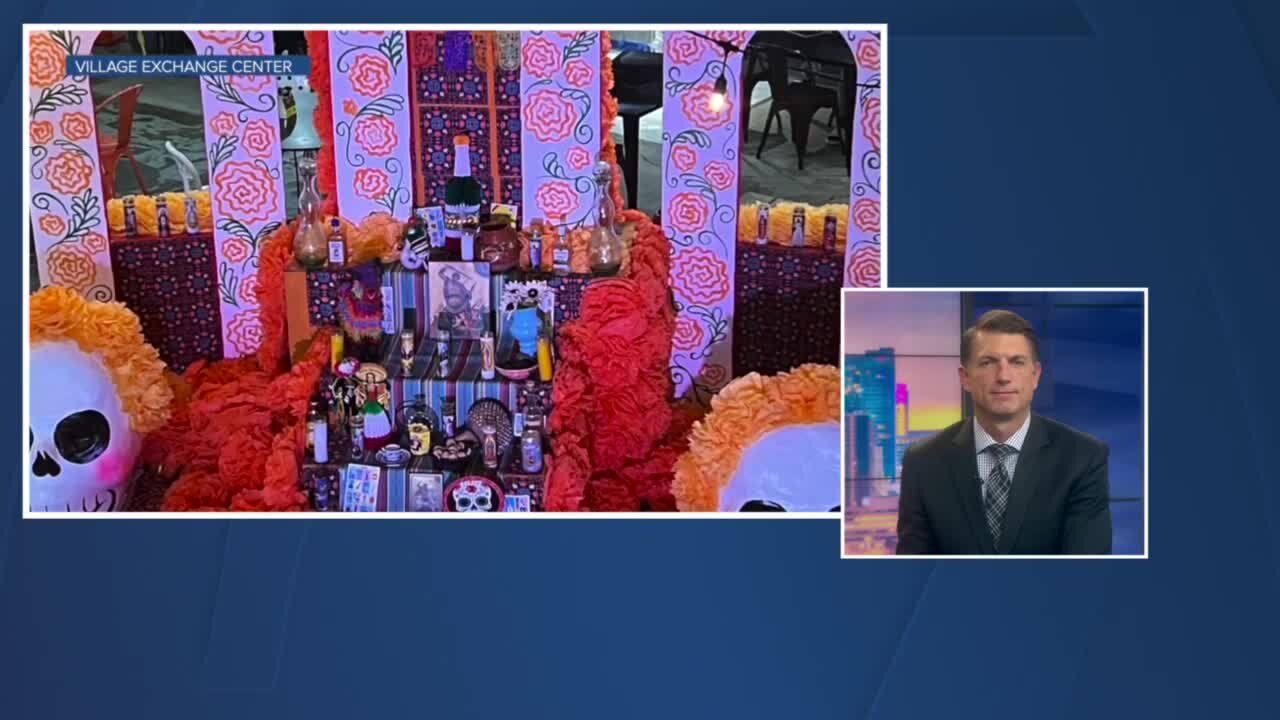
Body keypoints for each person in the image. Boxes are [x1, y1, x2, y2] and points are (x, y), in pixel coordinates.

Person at [896, 310, 1111, 555]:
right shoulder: (923, 461)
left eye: (1017, 362)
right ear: (965, 378)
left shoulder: (1082, 458)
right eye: (988, 362)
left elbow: (1086, 573)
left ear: (1036, 376)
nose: (1003, 376)